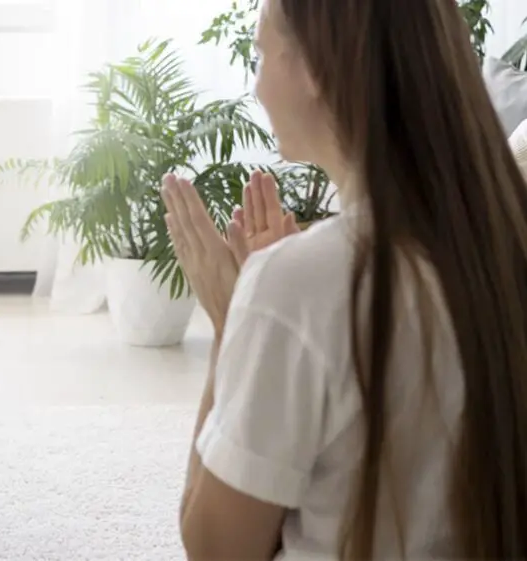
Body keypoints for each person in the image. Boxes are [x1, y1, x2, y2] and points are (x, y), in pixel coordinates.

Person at [163, 0, 527, 559]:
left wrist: (229, 328)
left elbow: (215, 549)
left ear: (315, 69)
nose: (257, 87)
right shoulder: (504, 242)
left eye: (262, 54)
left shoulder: (301, 285)